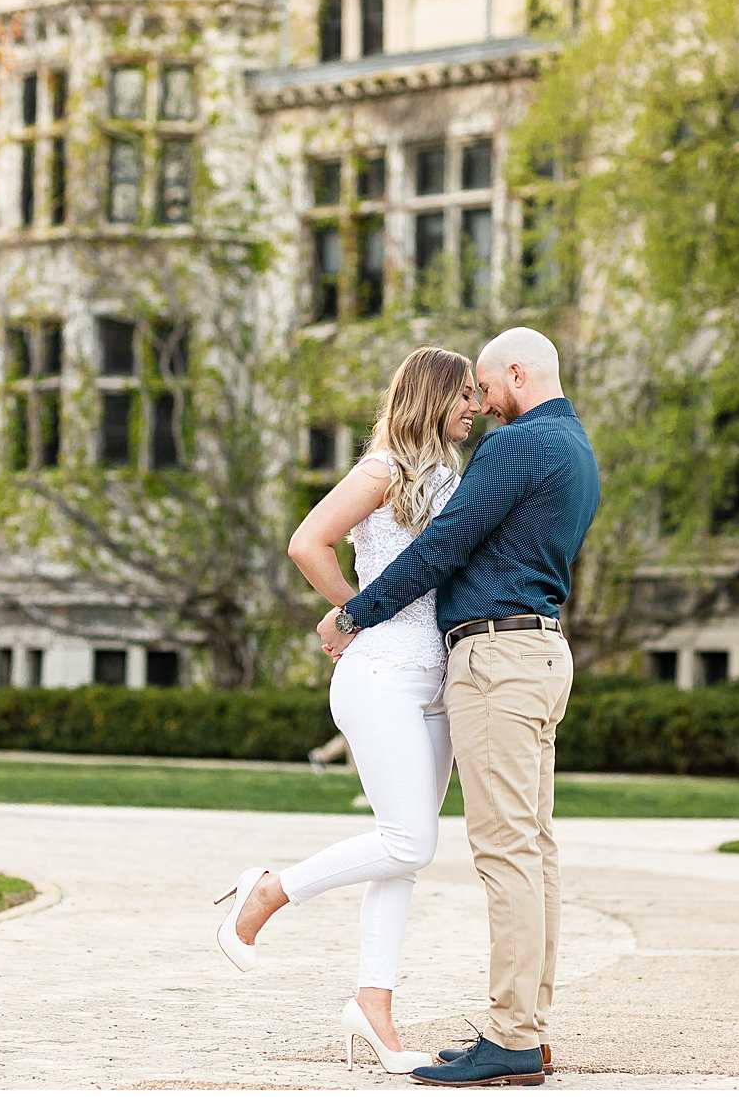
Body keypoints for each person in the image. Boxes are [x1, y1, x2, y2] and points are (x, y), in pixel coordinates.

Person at [323, 327, 598, 1088]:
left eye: (485, 386)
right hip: (543, 654)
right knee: (535, 850)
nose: (479, 403)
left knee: (507, 852)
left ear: (517, 373)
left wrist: (354, 616)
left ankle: (511, 1037)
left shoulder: (514, 447)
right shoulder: (578, 450)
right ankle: (530, 1031)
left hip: (497, 662)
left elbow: (444, 544)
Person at [212, 346, 479, 1075]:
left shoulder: (451, 478)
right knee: (410, 842)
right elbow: (307, 541)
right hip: (382, 674)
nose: (475, 407)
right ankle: (268, 891)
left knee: (405, 854)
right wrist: (351, 612)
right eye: (463, 395)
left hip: (436, 682)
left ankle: (374, 1007)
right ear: (430, 396)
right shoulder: (382, 470)